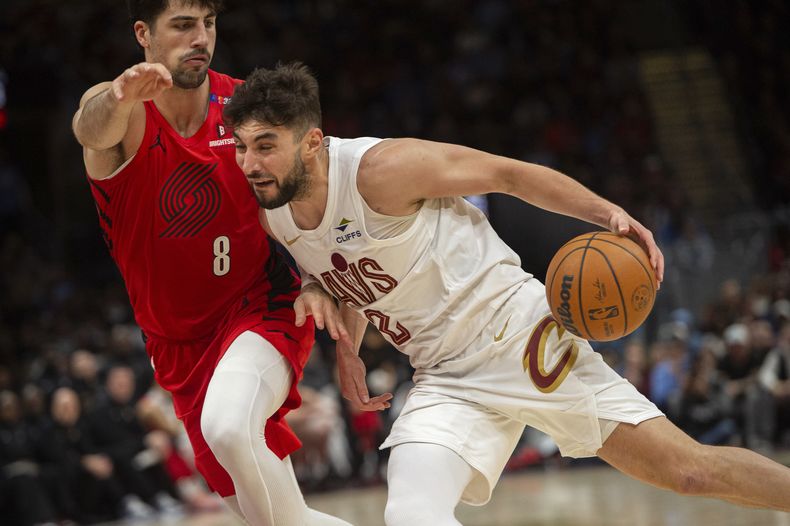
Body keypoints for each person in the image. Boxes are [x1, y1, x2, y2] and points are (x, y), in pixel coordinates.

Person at [225, 62, 790, 525]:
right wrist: (340, 327)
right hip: (443, 376)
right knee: (411, 513)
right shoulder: (277, 214)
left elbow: (509, 174)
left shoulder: (383, 169)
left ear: (313, 143)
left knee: (687, 470)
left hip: (519, 339)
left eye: (266, 146)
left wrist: (607, 213)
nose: (250, 164)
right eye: (244, 147)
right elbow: (341, 264)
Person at [71, 3, 351, 524]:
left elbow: (311, 201)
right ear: (144, 35)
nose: (201, 38)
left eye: (209, 24)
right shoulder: (121, 111)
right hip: (177, 344)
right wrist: (119, 93)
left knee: (229, 426)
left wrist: (321, 280)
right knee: (272, 515)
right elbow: (89, 129)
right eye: (182, 25)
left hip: (258, 305)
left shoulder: (245, 107)